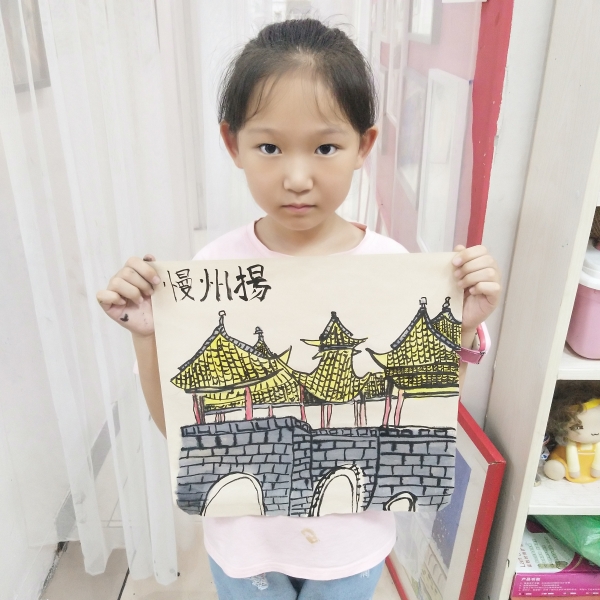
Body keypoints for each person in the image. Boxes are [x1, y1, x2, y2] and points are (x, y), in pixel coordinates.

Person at [97, 18, 501, 600]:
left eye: (325, 147)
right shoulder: (213, 269)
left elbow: (424, 406)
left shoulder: (394, 268)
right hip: (244, 550)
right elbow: (177, 429)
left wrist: (459, 327)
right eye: (269, 146)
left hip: (354, 547)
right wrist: (145, 334)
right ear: (231, 143)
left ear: (364, 146)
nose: (296, 177)